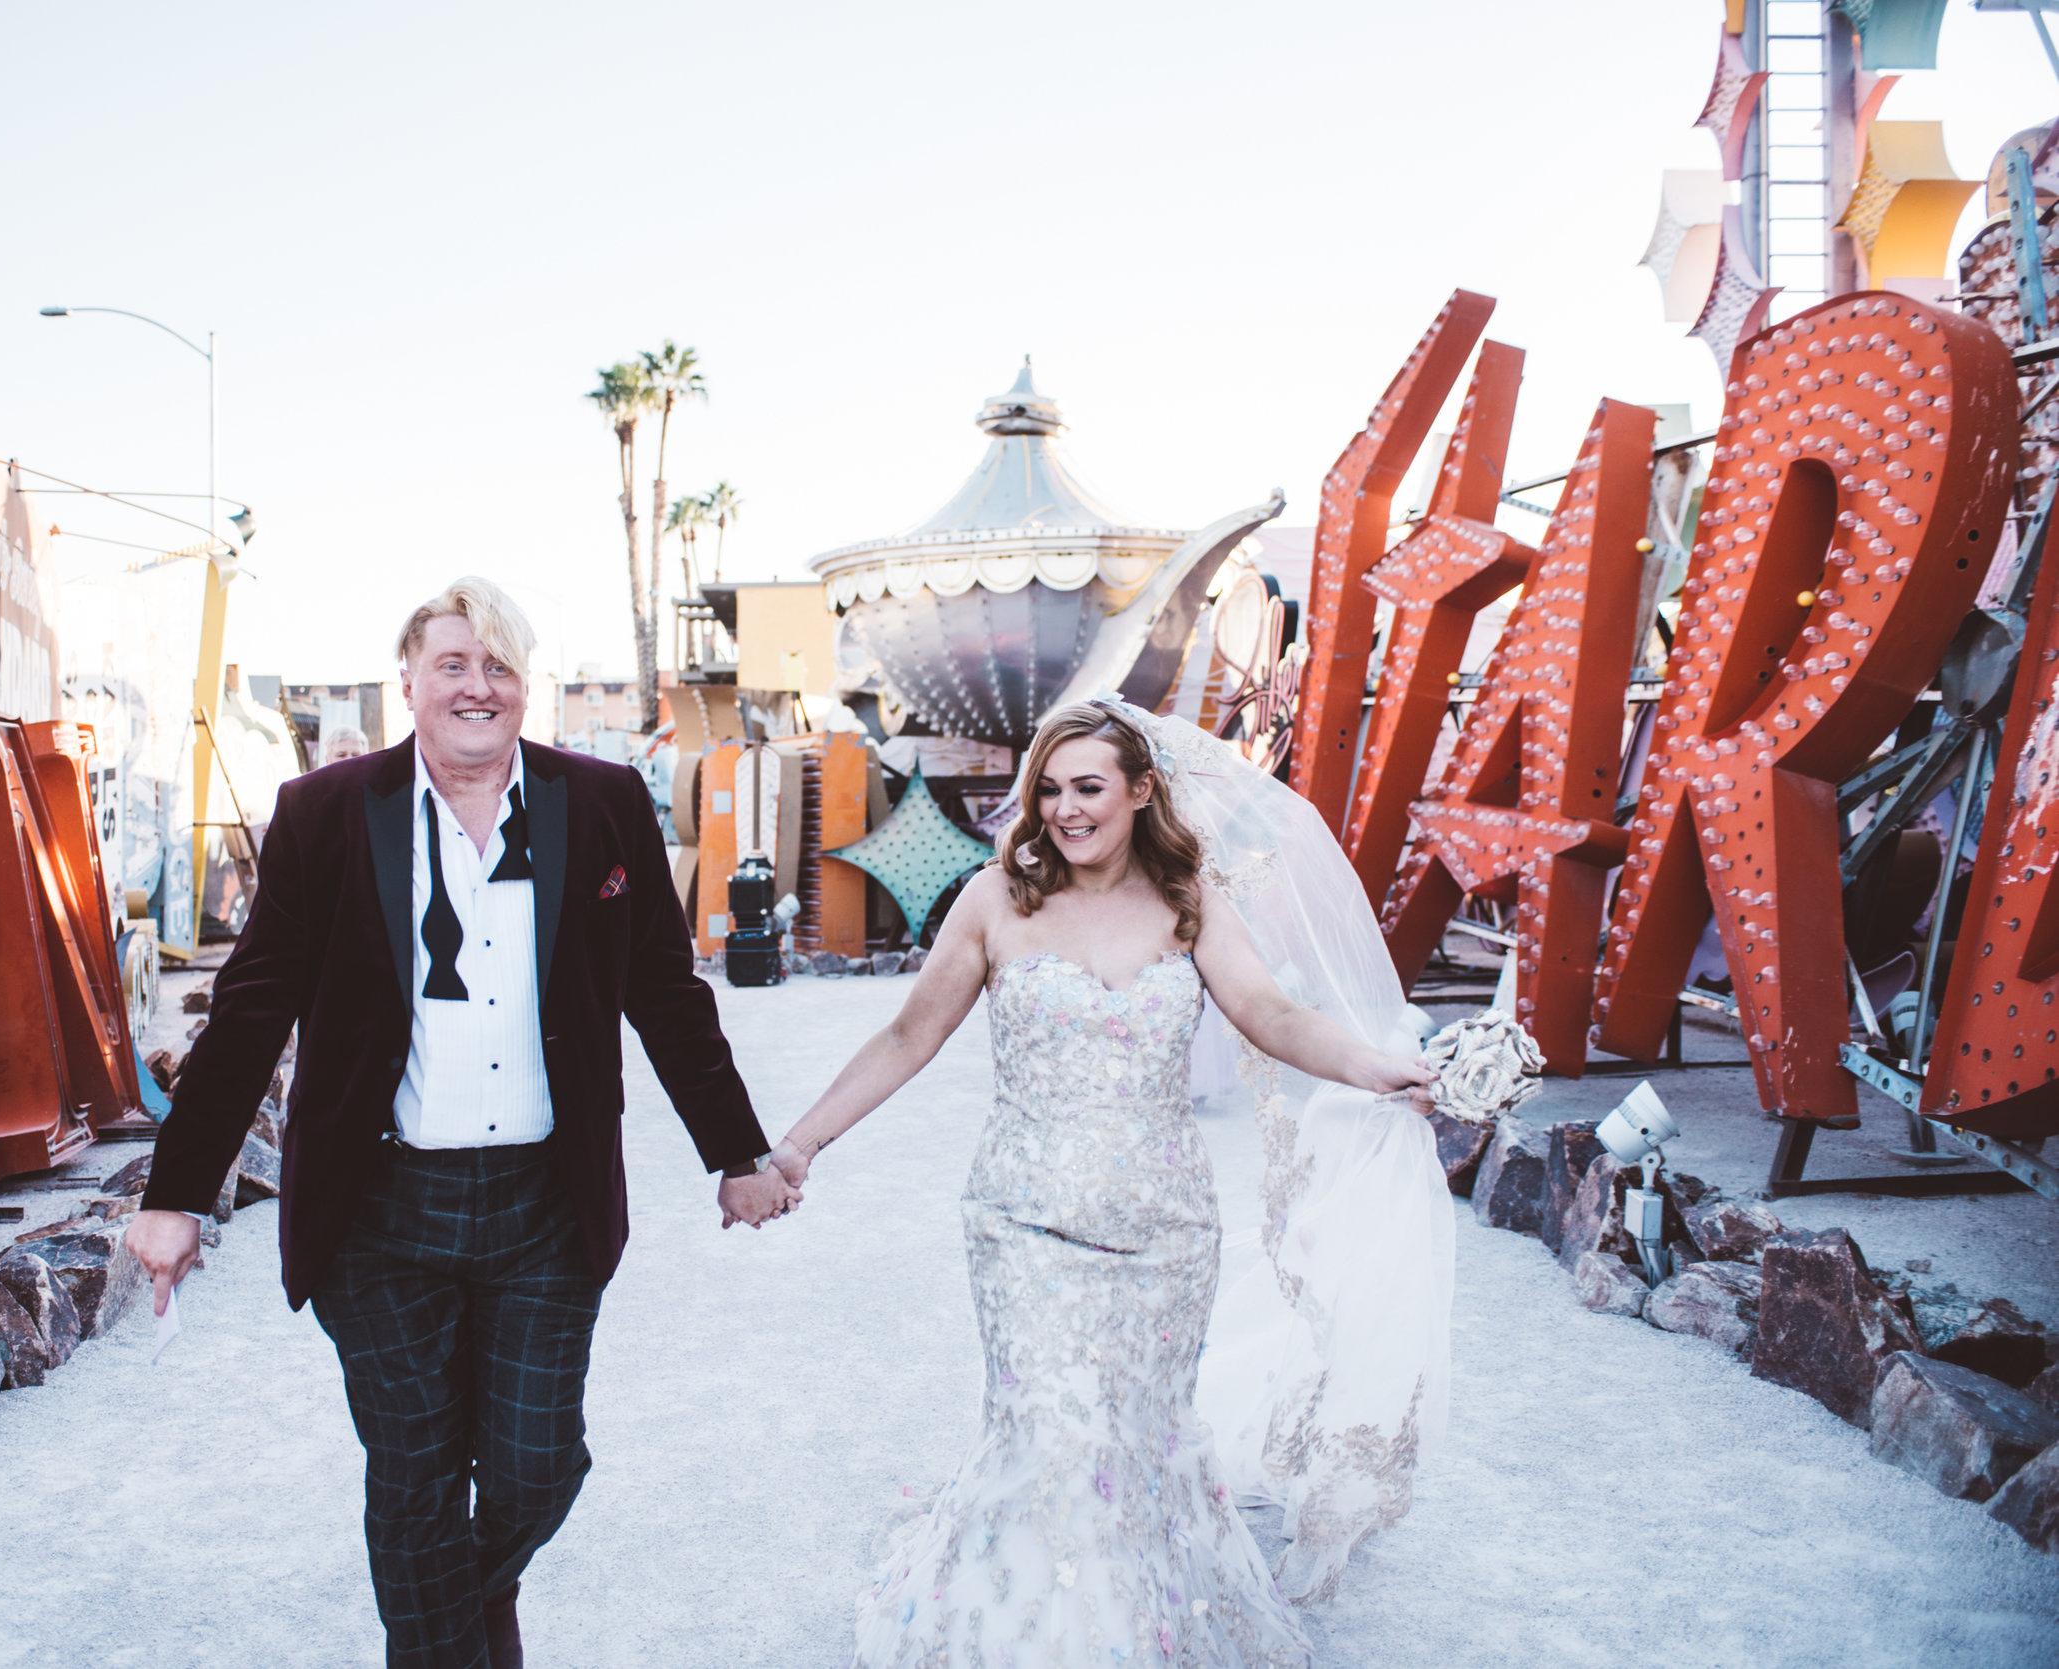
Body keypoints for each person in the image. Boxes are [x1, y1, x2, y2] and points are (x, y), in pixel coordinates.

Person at [126, 577, 798, 1669]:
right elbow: (249, 1010)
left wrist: (736, 1153)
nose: (475, 687)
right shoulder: (329, 815)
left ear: (525, 687)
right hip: (379, 1210)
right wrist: (174, 1195)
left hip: (544, 1203)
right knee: (413, 1474)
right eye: (453, 665)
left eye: (498, 666)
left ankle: (454, 1609)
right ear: (410, 683)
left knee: (537, 1464)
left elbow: (665, 994)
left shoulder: (603, 802)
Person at [773, 696, 1454, 1667]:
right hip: (1025, 1227)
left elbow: (1268, 1011)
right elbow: (906, 1035)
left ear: (1140, 791)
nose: (1063, 810)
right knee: (1050, 1436)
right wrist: (799, 1144)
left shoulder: (1191, 901)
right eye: (1047, 790)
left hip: (1164, 1236)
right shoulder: (992, 901)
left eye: (1087, 787)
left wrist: (1369, 1064)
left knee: (1133, 1444)